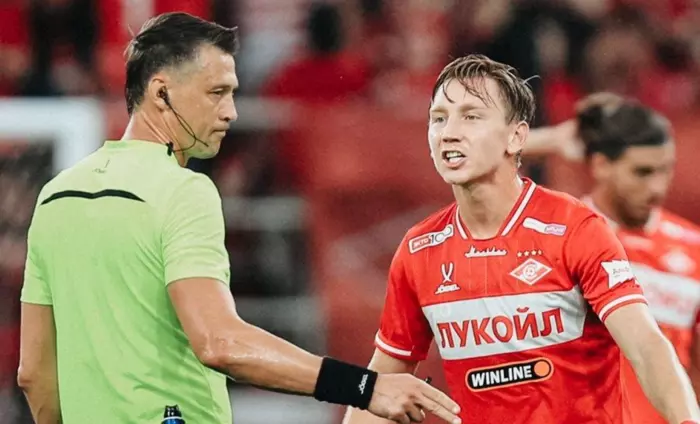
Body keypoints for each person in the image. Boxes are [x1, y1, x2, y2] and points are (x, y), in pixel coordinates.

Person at [16, 12, 460, 424]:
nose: (231, 111)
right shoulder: (183, 191)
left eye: (232, 93)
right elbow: (220, 342)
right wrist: (363, 386)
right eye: (216, 93)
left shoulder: (56, 197)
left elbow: (33, 374)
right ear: (161, 92)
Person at [342, 54, 700, 424]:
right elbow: (381, 386)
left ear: (517, 137)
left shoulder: (575, 228)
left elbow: (646, 347)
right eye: (439, 118)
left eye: (471, 116)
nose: (448, 132)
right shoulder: (420, 250)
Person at [524, 92, 700, 424]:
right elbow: (466, 166)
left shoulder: (694, 247)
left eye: (665, 171)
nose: (657, 187)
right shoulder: (556, 237)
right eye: (642, 172)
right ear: (601, 165)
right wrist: (552, 140)